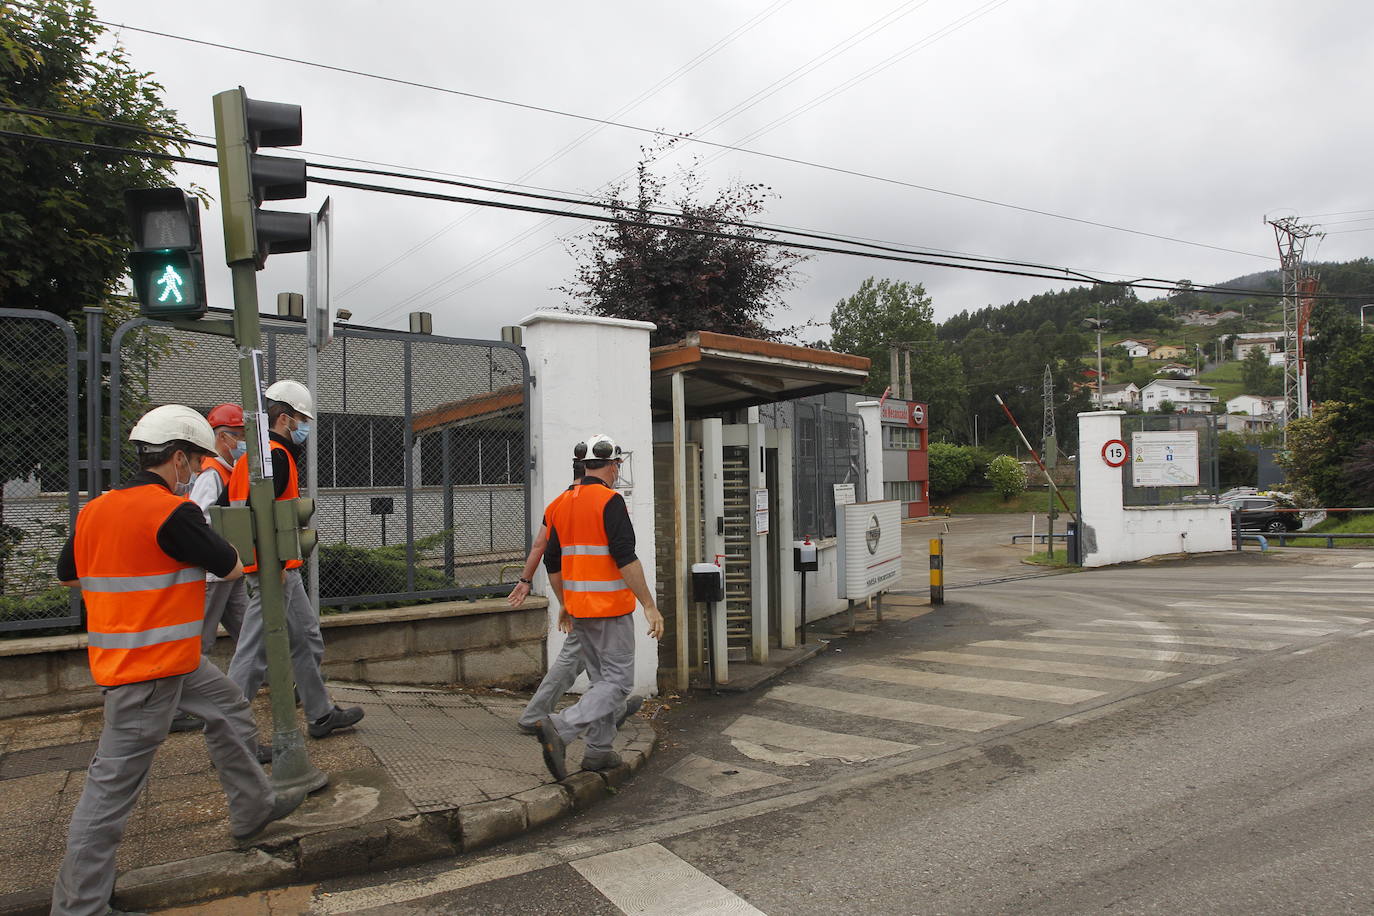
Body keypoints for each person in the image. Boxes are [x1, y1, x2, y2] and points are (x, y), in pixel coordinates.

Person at [50, 405, 306, 916]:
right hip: (150, 669)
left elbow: (70, 576)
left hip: (161, 659)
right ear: (180, 459)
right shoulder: (172, 512)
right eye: (196, 460)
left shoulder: (95, 510)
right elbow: (231, 566)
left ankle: (253, 806)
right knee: (112, 788)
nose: (196, 471)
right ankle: (80, 908)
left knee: (229, 705)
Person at [226, 379, 363, 741]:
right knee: (254, 652)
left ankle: (320, 715)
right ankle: (231, 736)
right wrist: (276, 567)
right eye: (302, 419)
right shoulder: (273, 457)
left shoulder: (255, 458)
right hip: (274, 568)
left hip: (279, 566)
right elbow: (263, 516)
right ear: (284, 419)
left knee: (305, 637)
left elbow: (234, 511)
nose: (305, 427)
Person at [535, 435, 664, 780]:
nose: (617, 469)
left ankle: (598, 753)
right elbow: (625, 557)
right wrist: (649, 606)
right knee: (619, 685)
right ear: (612, 465)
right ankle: (561, 727)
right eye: (617, 465)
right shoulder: (610, 501)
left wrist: (564, 604)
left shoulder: (559, 504)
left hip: (580, 609)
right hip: (609, 608)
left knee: (602, 683)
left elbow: (552, 561)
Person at [511, 459, 642, 736]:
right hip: (594, 602)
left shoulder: (558, 504)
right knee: (577, 661)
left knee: (591, 663)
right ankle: (538, 718)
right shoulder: (593, 501)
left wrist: (526, 580)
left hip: (577, 598)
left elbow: (541, 547)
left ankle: (612, 714)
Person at [169, 403, 250, 734]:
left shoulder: (228, 471)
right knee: (197, 643)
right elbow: (197, 519)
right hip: (215, 574)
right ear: (223, 438)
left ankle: (288, 685)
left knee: (251, 633)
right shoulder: (212, 474)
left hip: (230, 571)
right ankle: (173, 708)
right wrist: (218, 552)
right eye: (241, 436)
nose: (245, 442)